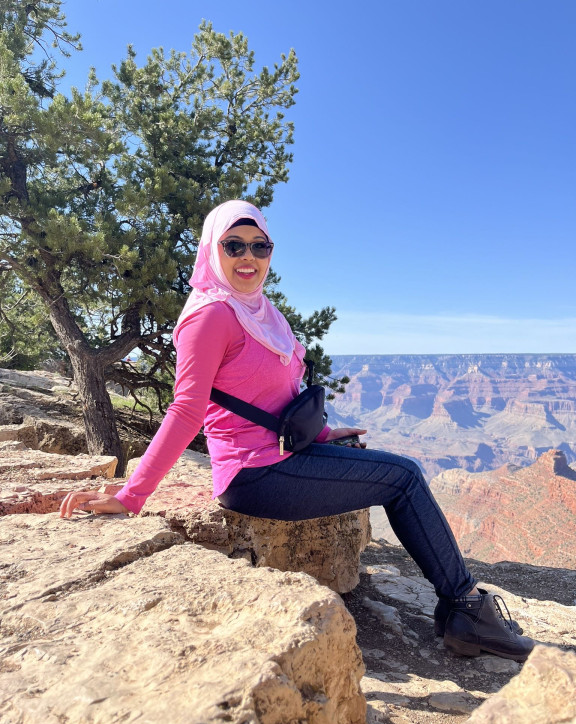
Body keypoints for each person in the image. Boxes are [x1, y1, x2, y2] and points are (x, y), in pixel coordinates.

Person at [59, 200, 534, 662]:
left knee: (398, 473)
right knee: (404, 477)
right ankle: (466, 607)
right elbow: (186, 410)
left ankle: (463, 610)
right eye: (233, 245)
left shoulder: (260, 311)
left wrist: (325, 436)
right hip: (255, 475)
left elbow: (275, 399)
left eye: (260, 246)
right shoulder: (210, 316)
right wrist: (132, 495)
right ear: (211, 250)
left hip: (286, 455)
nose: (248, 256)